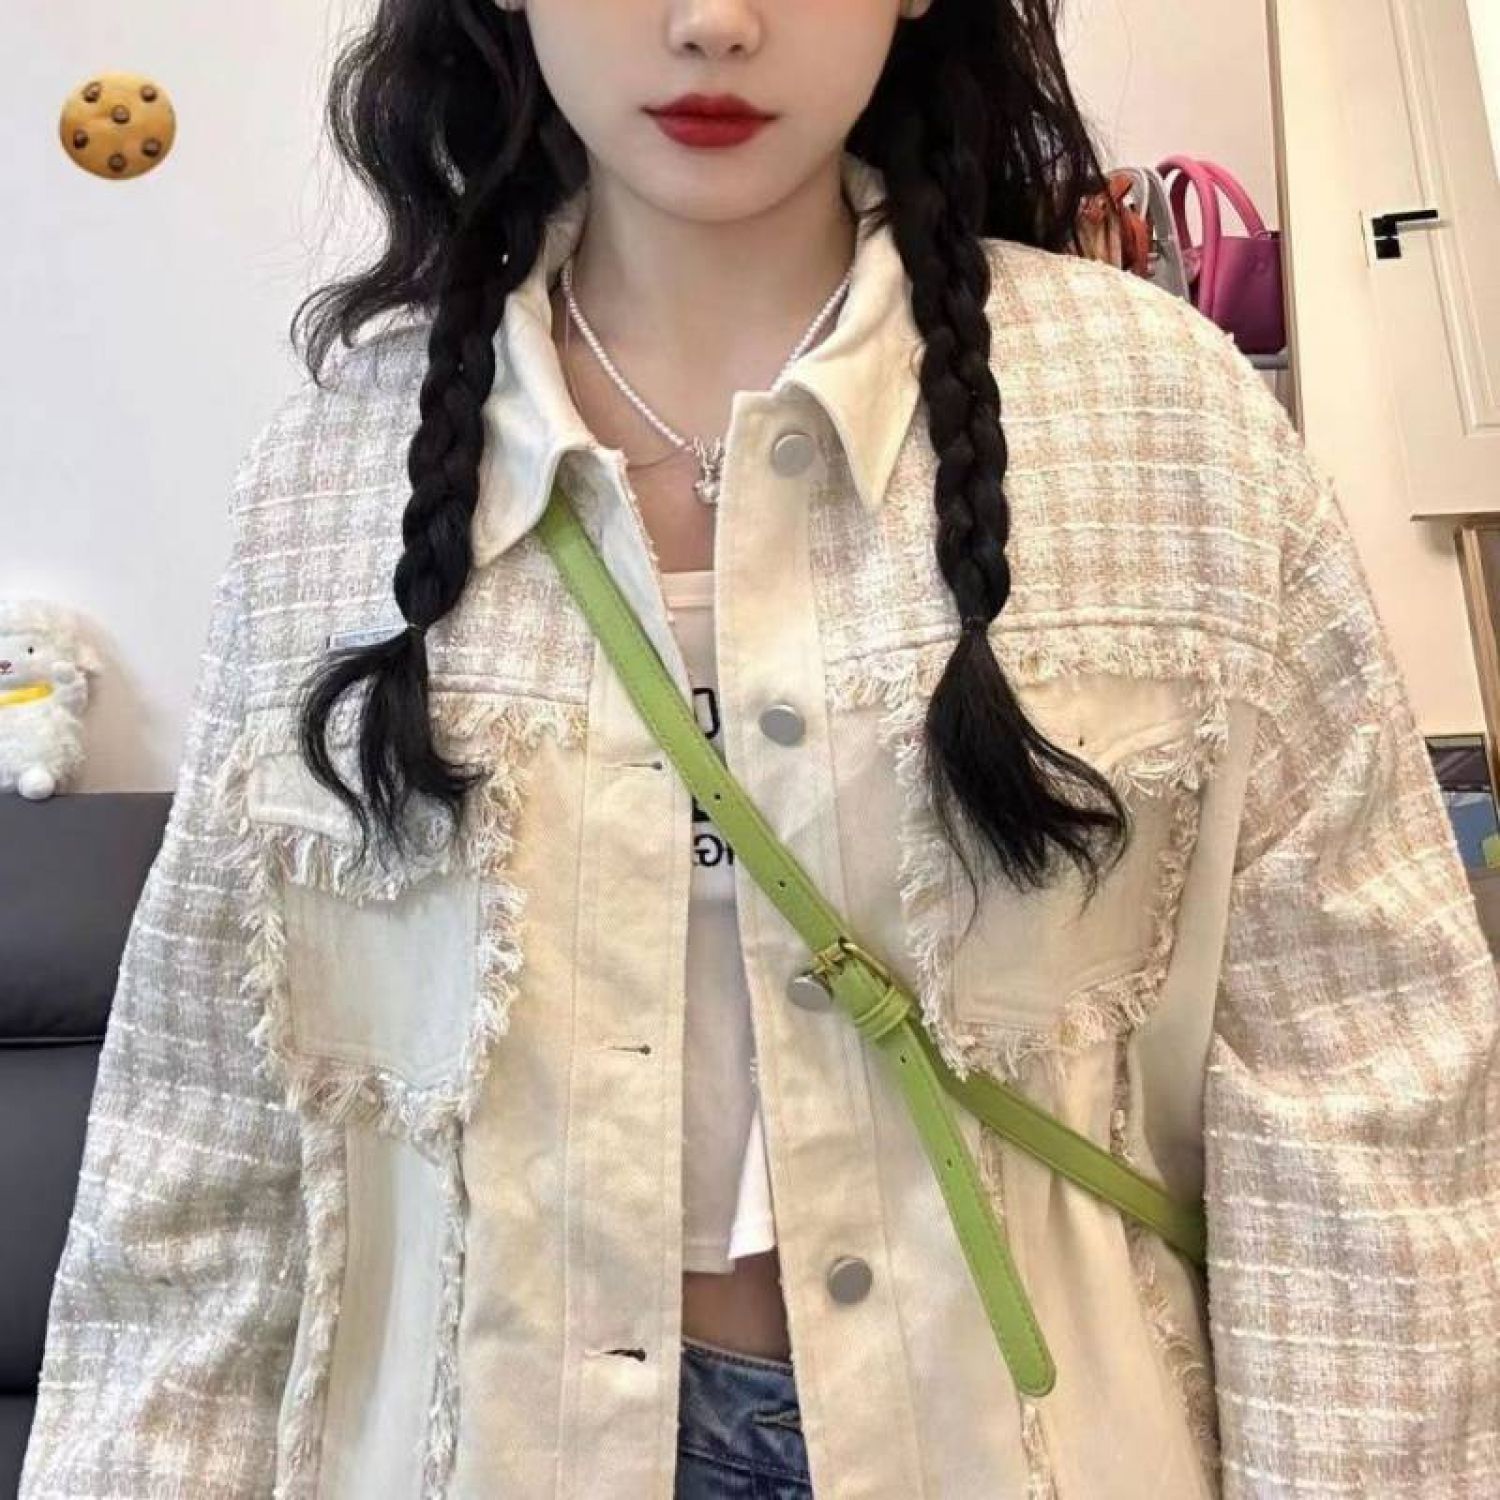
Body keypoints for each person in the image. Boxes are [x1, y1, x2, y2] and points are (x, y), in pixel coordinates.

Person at [20, 1, 1500, 1496]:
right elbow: (203, 1157)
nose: (713, 23)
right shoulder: (336, 471)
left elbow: (1365, 1102)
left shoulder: (1162, 423)